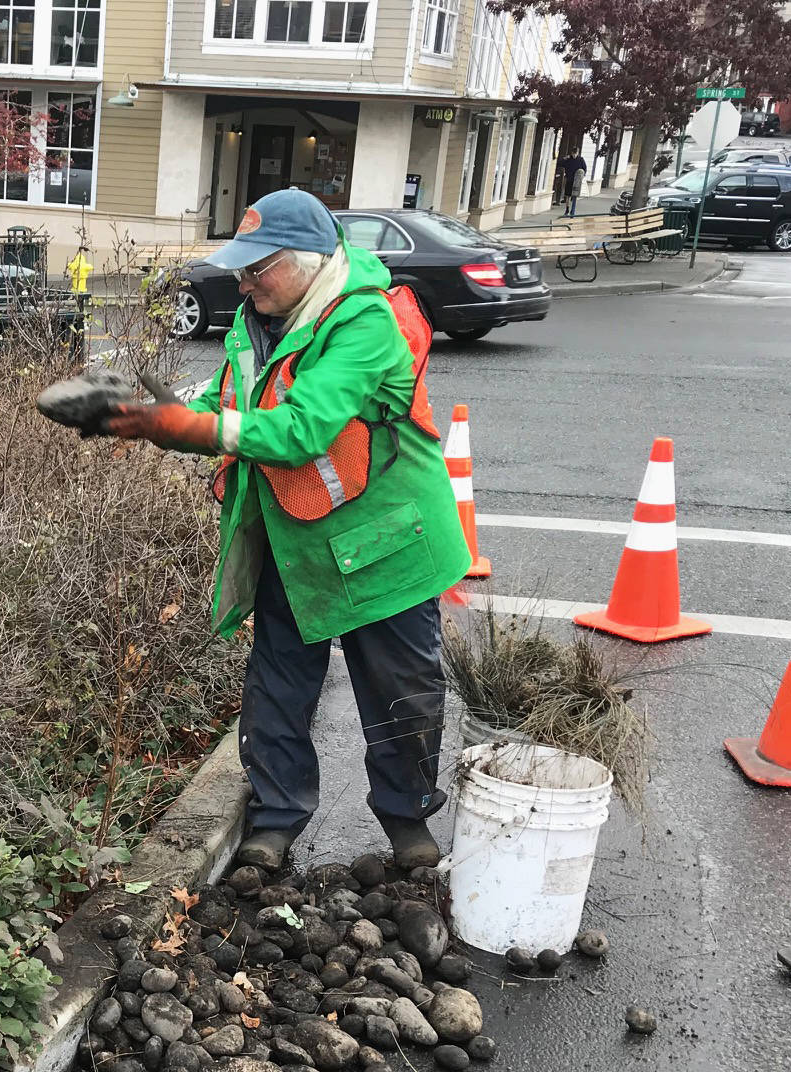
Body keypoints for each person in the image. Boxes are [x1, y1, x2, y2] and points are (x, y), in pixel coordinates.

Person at [104, 188, 470, 874]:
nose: (242, 283)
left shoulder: (363, 322)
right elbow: (226, 404)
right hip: (294, 541)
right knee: (277, 686)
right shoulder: (256, 318)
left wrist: (188, 426)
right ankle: (274, 822)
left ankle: (406, 821)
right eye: (239, 269)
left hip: (383, 545)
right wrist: (157, 413)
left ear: (307, 262)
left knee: (401, 693)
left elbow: (303, 429)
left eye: (257, 269)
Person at [557, 149, 588, 216]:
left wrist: (582, 176)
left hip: (577, 180)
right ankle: (567, 209)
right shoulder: (568, 159)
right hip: (569, 179)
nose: (574, 155)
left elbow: (585, 169)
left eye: (575, 154)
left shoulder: (580, 160)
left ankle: (572, 210)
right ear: (571, 153)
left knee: (574, 195)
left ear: (578, 153)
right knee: (568, 195)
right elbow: (559, 163)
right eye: (573, 154)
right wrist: (564, 158)